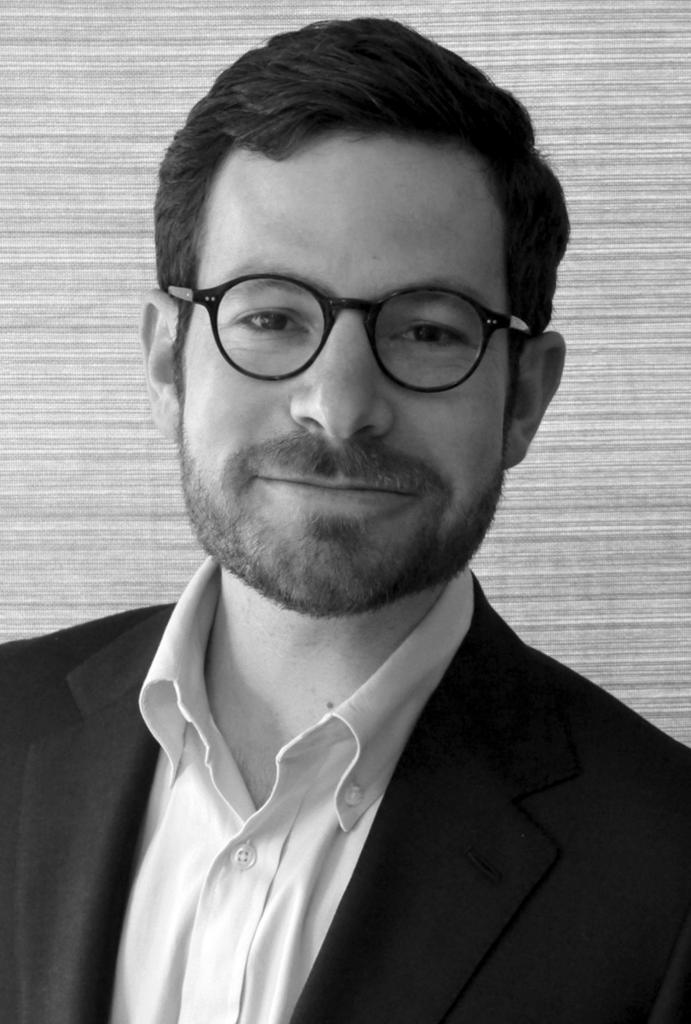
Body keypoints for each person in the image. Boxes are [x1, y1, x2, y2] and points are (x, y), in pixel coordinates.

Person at [1, 16, 690, 1024]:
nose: (338, 405)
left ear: (523, 399)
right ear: (166, 361)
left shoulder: (668, 873)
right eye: (271, 316)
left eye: (426, 331)